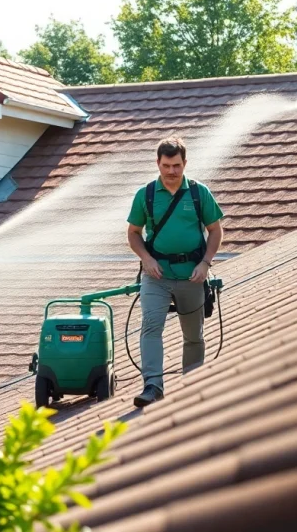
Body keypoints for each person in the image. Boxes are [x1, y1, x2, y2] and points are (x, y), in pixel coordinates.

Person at [126, 137, 225, 408]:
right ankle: (152, 386)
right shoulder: (145, 195)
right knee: (151, 327)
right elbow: (133, 234)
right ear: (157, 163)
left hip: (192, 276)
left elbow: (215, 230)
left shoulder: (198, 193)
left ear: (185, 164)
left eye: (177, 166)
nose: (171, 172)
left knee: (193, 335)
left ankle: (190, 387)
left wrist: (205, 263)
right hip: (156, 277)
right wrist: (146, 258)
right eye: (166, 165)